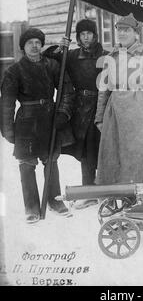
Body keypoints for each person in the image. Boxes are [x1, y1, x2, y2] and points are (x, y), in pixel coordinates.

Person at [0, 28, 74, 223]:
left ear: (42, 45)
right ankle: (32, 207)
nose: (34, 46)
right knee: (26, 164)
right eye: (30, 42)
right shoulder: (13, 71)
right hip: (26, 121)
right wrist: (8, 130)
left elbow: (67, 90)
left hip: (50, 118)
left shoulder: (53, 66)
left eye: (38, 42)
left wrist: (63, 113)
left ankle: (55, 201)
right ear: (23, 47)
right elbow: (6, 103)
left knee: (51, 161)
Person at [94, 13, 143, 185]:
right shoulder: (111, 56)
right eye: (119, 30)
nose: (122, 34)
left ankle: (135, 199)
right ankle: (118, 197)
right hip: (115, 111)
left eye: (126, 30)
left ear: (136, 33)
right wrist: (99, 117)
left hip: (138, 111)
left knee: (135, 156)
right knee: (113, 155)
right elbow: (103, 90)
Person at [50, 18, 109, 210]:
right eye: (82, 34)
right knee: (84, 151)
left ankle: (101, 191)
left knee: (99, 149)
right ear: (78, 37)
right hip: (80, 108)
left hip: (101, 106)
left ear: (95, 35)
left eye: (89, 33)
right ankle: (88, 191)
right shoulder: (73, 56)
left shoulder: (105, 56)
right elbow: (52, 59)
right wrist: (61, 48)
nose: (86, 37)